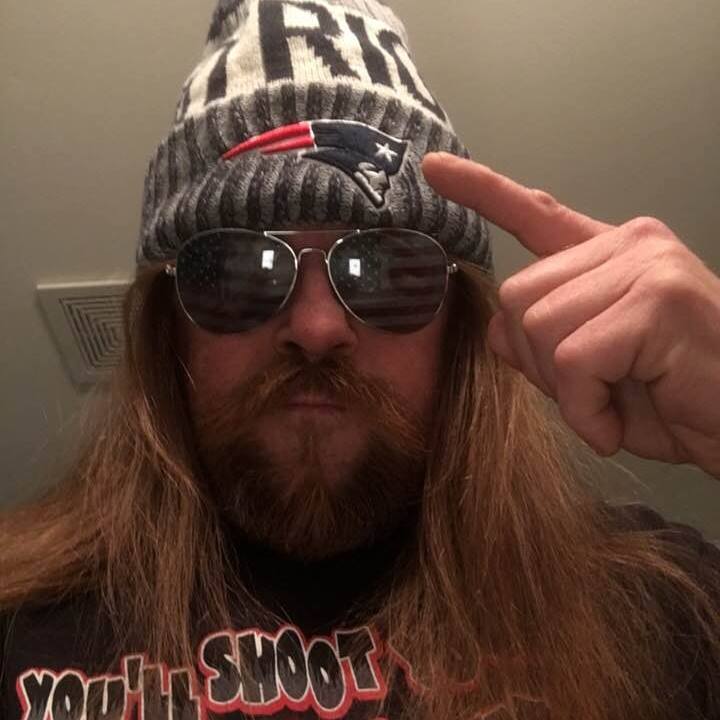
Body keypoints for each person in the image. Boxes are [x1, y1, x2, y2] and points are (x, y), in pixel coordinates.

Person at [1, 1, 719, 718]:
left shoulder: (661, 611)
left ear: (460, 328)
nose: (316, 329)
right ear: (169, 331)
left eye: (387, 269)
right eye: (239, 269)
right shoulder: (17, 616)